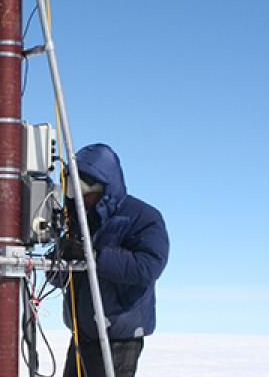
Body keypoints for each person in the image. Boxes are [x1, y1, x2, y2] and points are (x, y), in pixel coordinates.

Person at [48, 143, 169, 377]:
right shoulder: (78, 221)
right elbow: (56, 278)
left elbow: (148, 267)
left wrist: (94, 256)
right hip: (82, 333)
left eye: (87, 190)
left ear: (105, 185)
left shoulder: (142, 217)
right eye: (74, 190)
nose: (81, 198)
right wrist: (60, 257)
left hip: (119, 336)